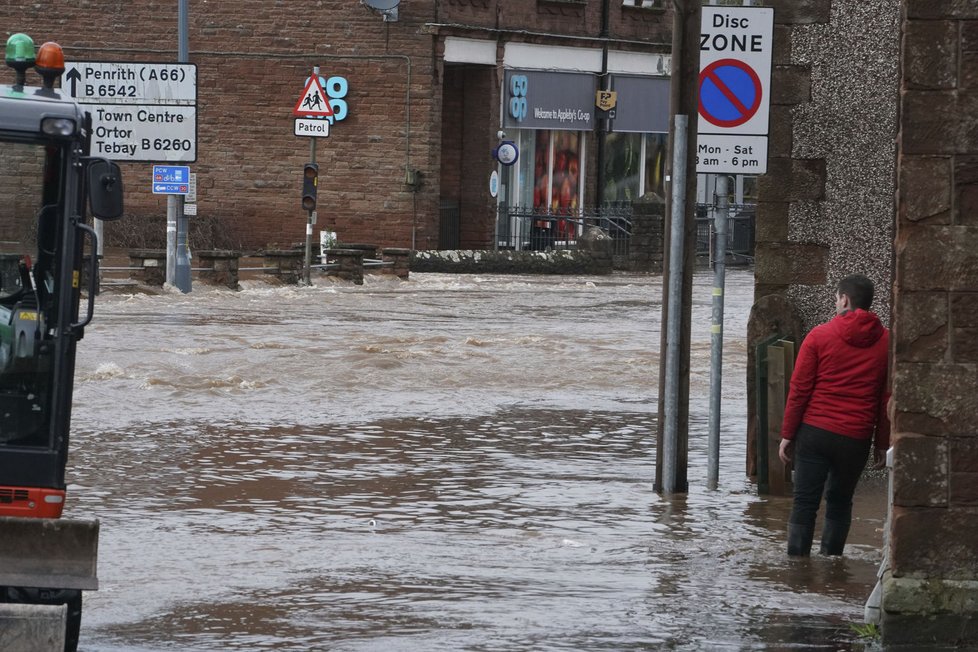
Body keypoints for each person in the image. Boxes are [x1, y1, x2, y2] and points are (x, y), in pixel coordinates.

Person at [778, 274, 890, 557]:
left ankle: (797, 567)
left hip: (815, 432)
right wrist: (881, 443)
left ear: (845, 299)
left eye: (836, 298)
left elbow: (799, 389)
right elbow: (885, 397)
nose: (835, 303)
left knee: (805, 502)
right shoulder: (887, 342)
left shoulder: (819, 336)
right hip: (856, 436)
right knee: (840, 502)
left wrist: (787, 434)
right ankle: (832, 564)